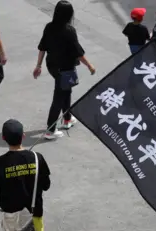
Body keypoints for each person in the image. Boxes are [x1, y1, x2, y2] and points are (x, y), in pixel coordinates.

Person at [33, 0, 96, 140]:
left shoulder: (49, 27)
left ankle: (67, 118)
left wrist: (38, 65)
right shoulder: (69, 31)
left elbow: (42, 47)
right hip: (65, 68)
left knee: (66, 90)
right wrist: (90, 65)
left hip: (52, 66)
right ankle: (50, 129)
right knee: (59, 97)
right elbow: (78, 52)